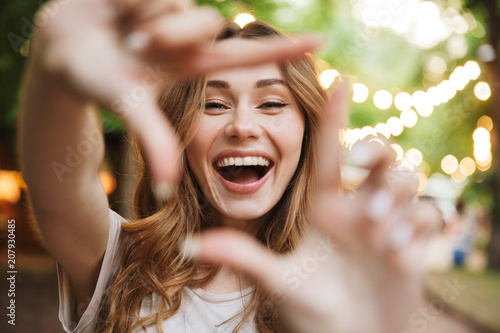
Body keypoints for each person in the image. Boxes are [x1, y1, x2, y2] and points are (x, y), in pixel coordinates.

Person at [18, 0, 440, 332]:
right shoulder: (117, 261)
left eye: (272, 103)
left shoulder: (341, 286)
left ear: (308, 133)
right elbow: (62, 178)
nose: (241, 126)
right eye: (214, 104)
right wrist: (53, 76)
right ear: (181, 130)